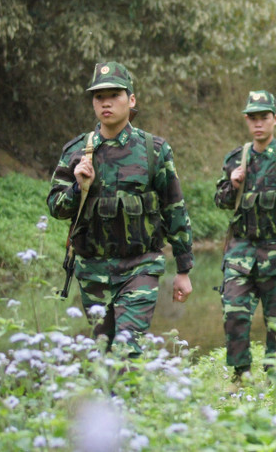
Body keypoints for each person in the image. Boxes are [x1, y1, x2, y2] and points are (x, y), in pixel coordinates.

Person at [47, 62, 194, 355]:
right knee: (104, 353)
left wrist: (183, 269)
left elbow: (174, 208)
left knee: (127, 349)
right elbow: (56, 207)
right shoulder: (76, 152)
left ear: (131, 99)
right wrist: (77, 187)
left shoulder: (154, 150)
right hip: (92, 272)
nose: (106, 102)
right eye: (99, 96)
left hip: (140, 267)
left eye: (115, 95)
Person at [214, 90, 276, 382]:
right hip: (240, 252)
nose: (258, 123)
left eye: (264, 117)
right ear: (246, 120)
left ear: (275, 119)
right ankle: (240, 374)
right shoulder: (235, 159)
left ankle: (275, 375)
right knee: (234, 313)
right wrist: (232, 185)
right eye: (252, 118)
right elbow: (220, 201)